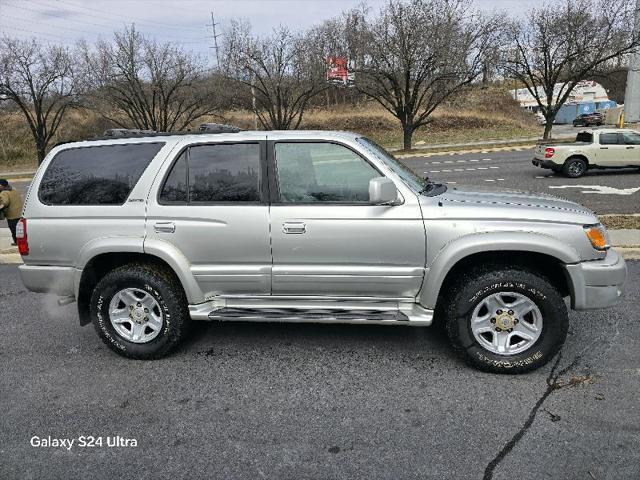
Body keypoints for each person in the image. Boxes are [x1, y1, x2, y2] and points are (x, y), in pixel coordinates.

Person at [0, 179, 24, 246]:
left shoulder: (4, 192)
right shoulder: (13, 190)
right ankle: (21, 241)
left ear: (1, 186)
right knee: (20, 229)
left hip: (12, 215)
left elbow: (5, 202)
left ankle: (16, 242)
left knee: (13, 229)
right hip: (19, 213)